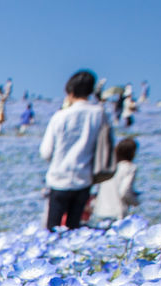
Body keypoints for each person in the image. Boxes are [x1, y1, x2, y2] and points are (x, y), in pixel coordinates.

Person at [40, 69, 108, 231]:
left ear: (69, 92)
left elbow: (46, 152)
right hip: (84, 179)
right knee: (74, 230)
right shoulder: (99, 114)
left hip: (59, 179)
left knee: (52, 231)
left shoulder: (60, 116)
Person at [93, 138, 140, 222]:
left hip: (100, 210)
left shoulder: (108, 165)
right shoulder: (129, 167)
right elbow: (124, 191)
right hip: (117, 212)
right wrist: (135, 201)